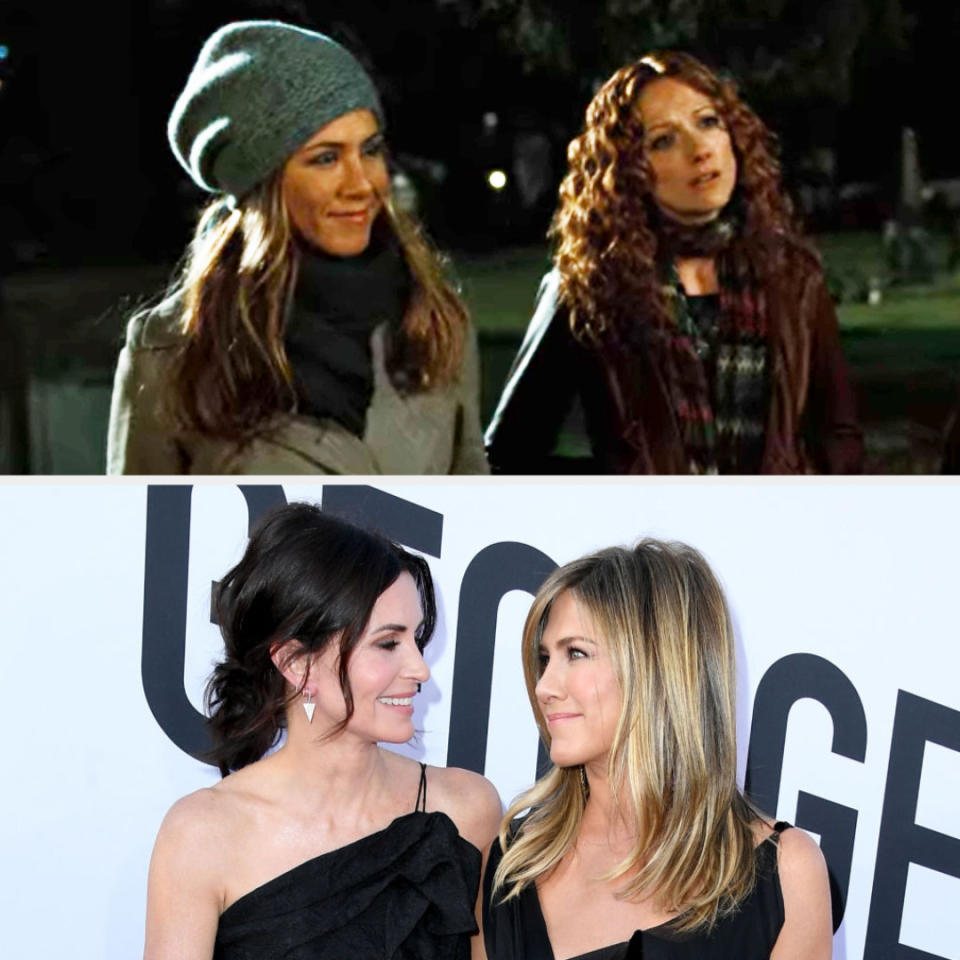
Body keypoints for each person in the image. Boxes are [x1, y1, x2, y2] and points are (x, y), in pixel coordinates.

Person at [108, 21, 487, 474]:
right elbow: (138, 538)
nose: (363, 183)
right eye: (326, 158)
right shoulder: (171, 354)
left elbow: (472, 519)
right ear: (263, 187)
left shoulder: (436, 328)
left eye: (370, 150)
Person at [145, 503, 502, 959]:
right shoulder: (202, 835)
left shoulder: (466, 810)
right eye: (388, 643)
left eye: (418, 640)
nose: (419, 669)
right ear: (297, 663)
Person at [485, 52, 863, 474]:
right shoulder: (589, 287)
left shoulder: (793, 275)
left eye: (708, 122)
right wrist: (615, 489)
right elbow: (508, 456)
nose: (700, 149)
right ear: (629, 170)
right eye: (663, 140)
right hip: (651, 537)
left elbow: (838, 437)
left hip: (775, 534)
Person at [482, 539, 833, 959]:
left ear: (656, 666)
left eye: (576, 653)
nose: (544, 687)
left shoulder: (782, 876)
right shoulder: (513, 864)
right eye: (544, 658)